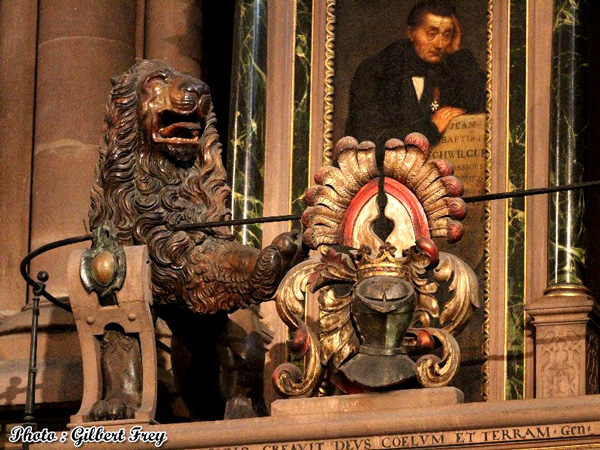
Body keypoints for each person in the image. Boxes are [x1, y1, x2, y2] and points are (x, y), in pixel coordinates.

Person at [345, 0, 486, 148]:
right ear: (410, 33)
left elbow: (481, 110)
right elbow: (367, 141)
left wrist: (457, 51)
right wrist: (431, 128)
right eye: (432, 34)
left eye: (447, 35)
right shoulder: (378, 71)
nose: (440, 44)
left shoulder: (451, 69)